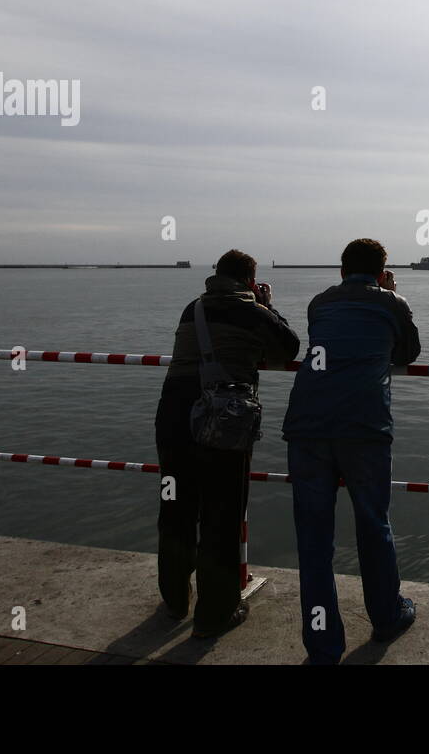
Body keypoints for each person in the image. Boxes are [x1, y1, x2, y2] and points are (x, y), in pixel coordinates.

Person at [281, 237, 422, 664]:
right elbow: (410, 352)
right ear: (383, 272)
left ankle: (323, 647)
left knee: (313, 540)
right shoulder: (391, 303)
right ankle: (385, 617)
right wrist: (392, 295)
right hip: (364, 428)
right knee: (373, 525)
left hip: (306, 425)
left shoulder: (320, 302)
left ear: (340, 271)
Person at [154, 248, 299, 638]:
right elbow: (289, 349)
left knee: (176, 508)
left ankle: (173, 601)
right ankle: (215, 613)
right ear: (250, 281)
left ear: (216, 274)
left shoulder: (192, 308)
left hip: (173, 412)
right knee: (221, 512)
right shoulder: (252, 311)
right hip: (221, 417)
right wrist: (269, 305)